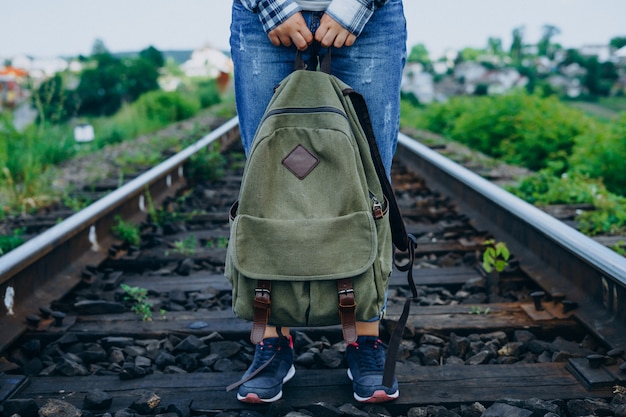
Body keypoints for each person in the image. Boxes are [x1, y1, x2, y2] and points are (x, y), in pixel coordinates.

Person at [229, 0, 407, 404]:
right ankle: (272, 340)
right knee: (267, 186)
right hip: (261, 15)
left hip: (371, 17)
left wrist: (354, 6)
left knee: (370, 181)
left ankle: (364, 339)